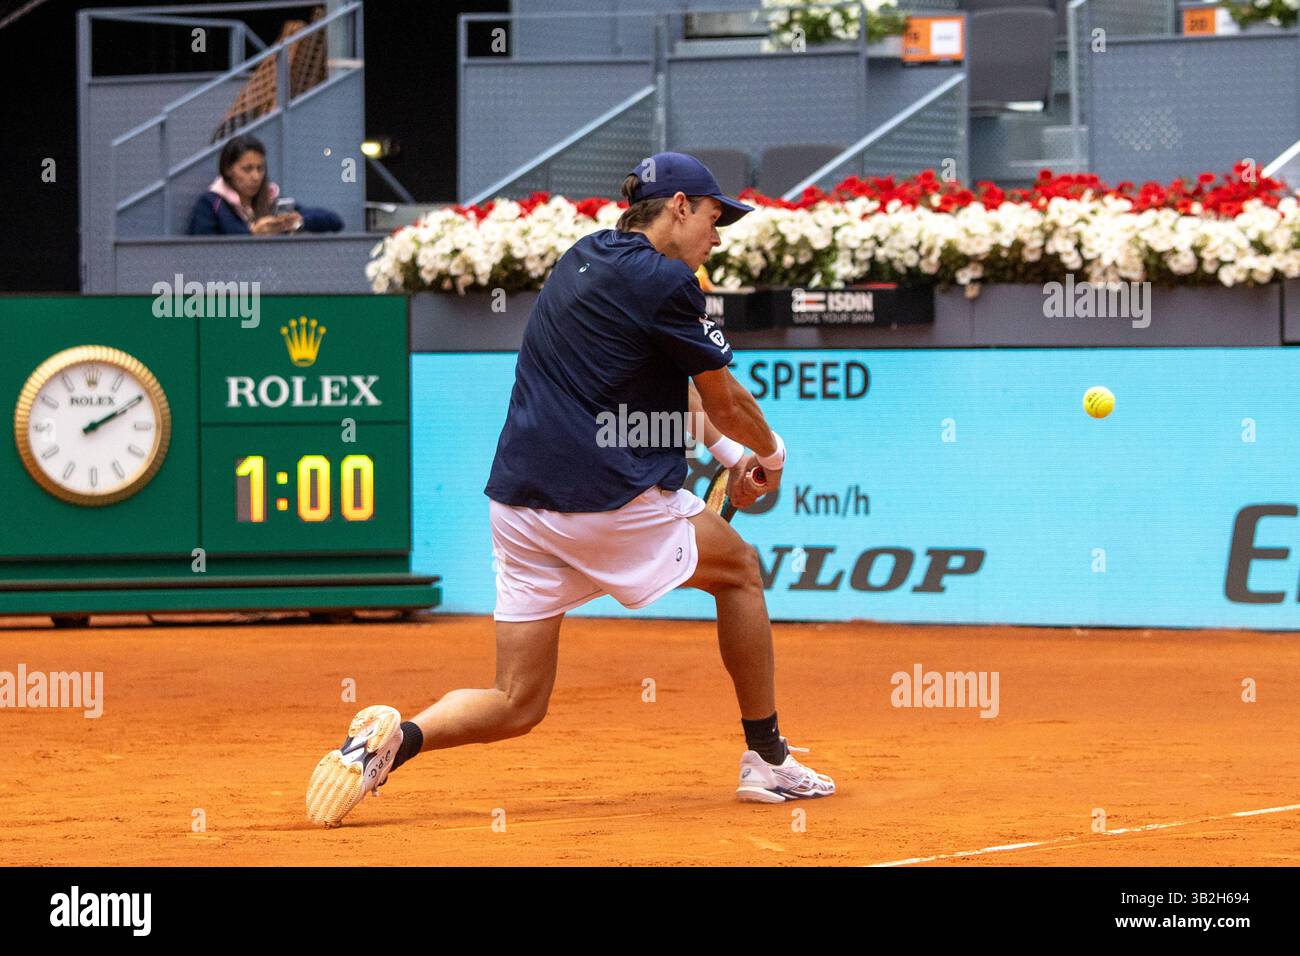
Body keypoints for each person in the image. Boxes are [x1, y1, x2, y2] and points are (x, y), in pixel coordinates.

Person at [305, 152, 835, 828]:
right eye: (712, 215)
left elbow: (669, 390)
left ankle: (388, 745)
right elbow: (724, 399)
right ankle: (767, 758)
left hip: (519, 505)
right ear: (677, 206)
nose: (718, 232)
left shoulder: (585, 256)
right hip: (602, 500)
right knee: (739, 572)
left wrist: (729, 454)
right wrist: (771, 452)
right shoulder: (669, 283)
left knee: (516, 701)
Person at [187, 134, 343, 236]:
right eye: (247, 169)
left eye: (260, 168)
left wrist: (297, 222)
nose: (255, 176)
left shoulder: (271, 200)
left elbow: (335, 221)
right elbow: (203, 252)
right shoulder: (211, 204)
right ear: (228, 170)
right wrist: (252, 234)